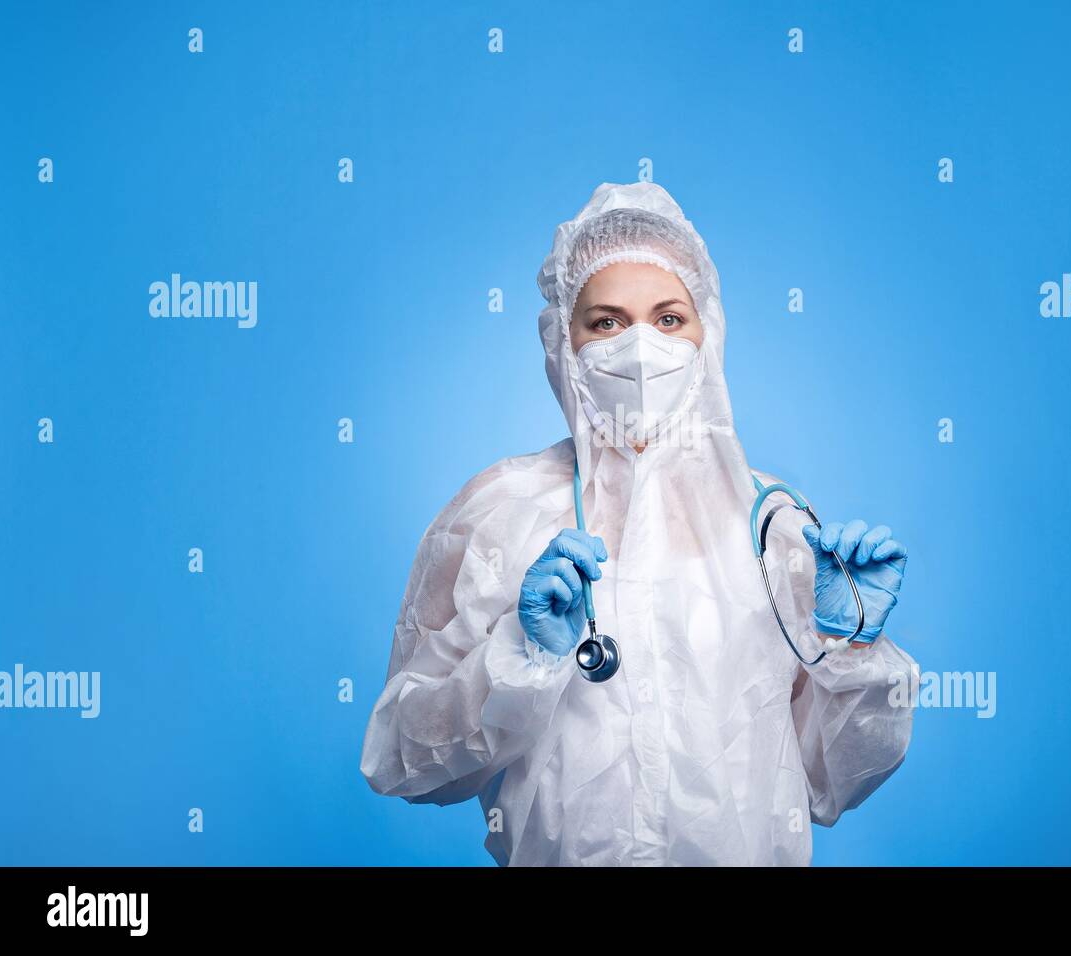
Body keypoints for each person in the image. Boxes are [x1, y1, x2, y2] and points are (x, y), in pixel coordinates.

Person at [360, 182, 919, 866]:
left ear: (706, 334)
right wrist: (520, 655)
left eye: (668, 319)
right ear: (563, 341)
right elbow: (400, 763)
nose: (640, 348)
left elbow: (832, 786)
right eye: (606, 322)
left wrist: (852, 650)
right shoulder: (501, 511)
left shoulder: (773, 524)